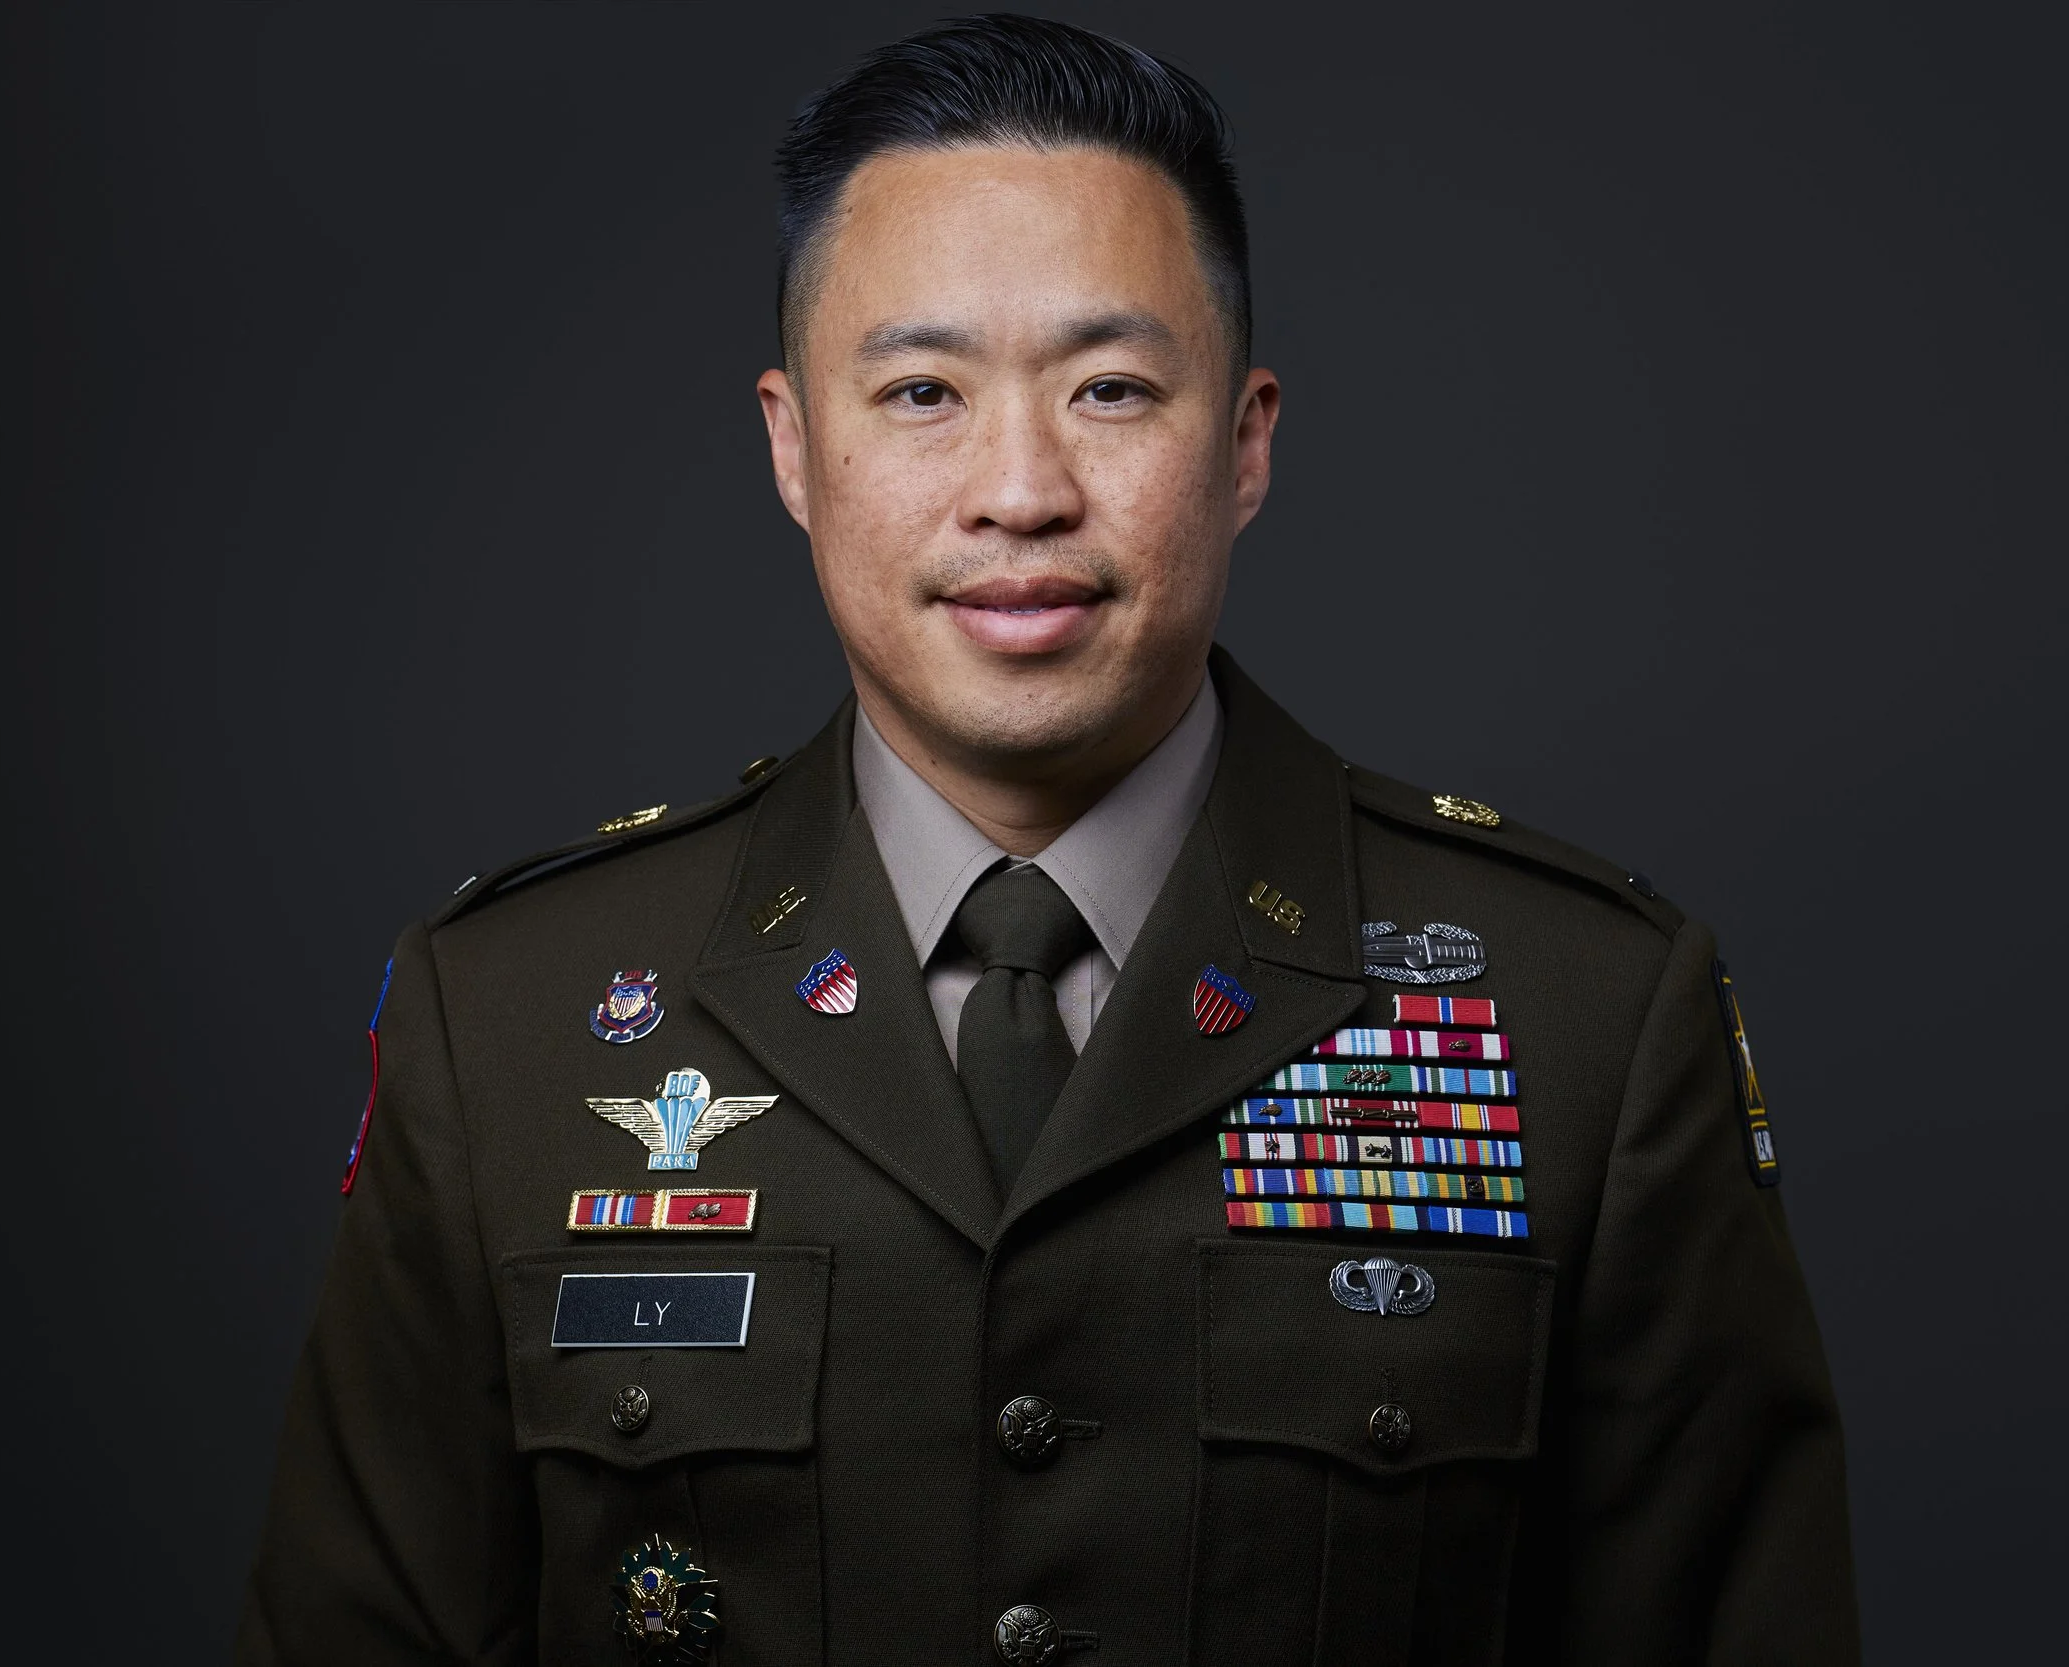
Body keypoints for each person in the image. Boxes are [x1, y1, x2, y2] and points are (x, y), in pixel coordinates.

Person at [239, 15, 1858, 1665]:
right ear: (797, 446)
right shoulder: (505, 1016)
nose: (1020, 490)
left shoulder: (1585, 1016)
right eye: (924, 390)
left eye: (1110, 389)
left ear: (1245, 441)